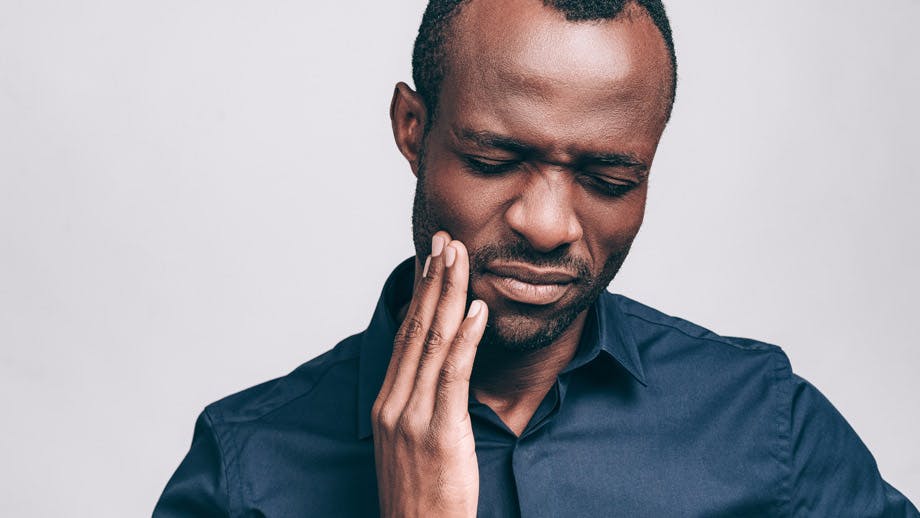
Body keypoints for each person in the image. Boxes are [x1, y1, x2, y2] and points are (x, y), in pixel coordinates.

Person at [154, 0, 918, 516]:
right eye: (493, 158)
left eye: (609, 178)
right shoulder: (246, 471)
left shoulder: (762, 425)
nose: (547, 225)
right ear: (413, 129)